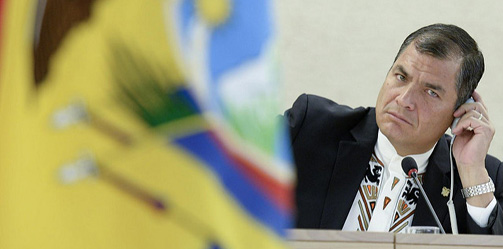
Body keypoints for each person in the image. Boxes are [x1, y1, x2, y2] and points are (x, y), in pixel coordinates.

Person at [285, 23, 503, 234]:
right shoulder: (310, 128)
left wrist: (471, 173)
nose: (404, 99)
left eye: (431, 92)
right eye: (401, 77)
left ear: (459, 110)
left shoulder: (482, 177)